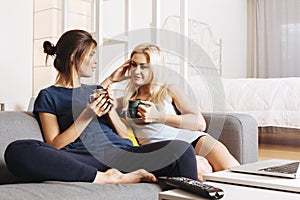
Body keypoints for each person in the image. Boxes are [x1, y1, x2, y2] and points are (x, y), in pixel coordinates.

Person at [4, 30, 199, 184]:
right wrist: (87, 115)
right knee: (17, 150)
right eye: (91, 55)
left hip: (124, 155)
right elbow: (54, 145)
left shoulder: (95, 90)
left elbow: (124, 137)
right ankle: (105, 178)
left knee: (182, 150)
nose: (96, 61)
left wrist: (111, 106)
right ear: (74, 57)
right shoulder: (49, 95)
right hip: (83, 158)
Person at [104, 43, 240, 181]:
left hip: (195, 140)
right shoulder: (125, 101)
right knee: (204, 173)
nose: (136, 71)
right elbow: (91, 97)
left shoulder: (170, 90)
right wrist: (112, 78)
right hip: (167, 152)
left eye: (143, 66)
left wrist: (158, 117)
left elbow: (199, 124)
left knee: (237, 177)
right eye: (133, 64)